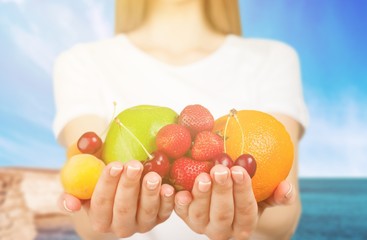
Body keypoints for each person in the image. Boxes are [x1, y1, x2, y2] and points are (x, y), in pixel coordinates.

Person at [53, 0, 308, 239]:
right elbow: (88, 208)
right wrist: (100, 215)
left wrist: (246, 219)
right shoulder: (81, 62)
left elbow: (283, 210)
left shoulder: (273, 58)